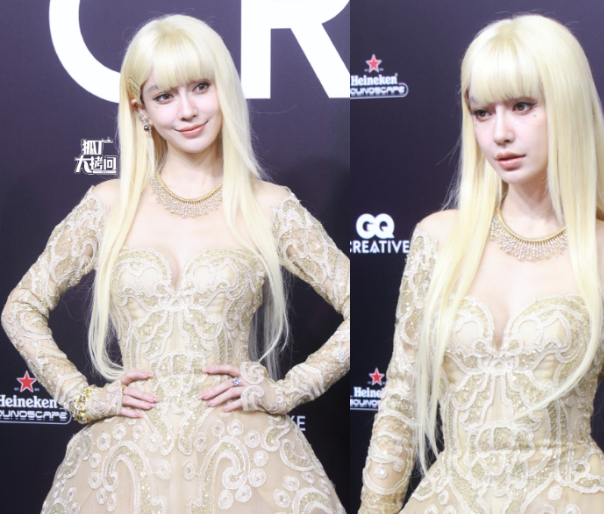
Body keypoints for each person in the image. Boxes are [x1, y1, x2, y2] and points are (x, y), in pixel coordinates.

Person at [2, 14, 348, 514]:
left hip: (245, 465)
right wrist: (82, 397)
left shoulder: (270, 206)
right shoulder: (108, 205)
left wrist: (288, 390)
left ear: (224, 88)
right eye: (164, 96)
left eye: (201, 87)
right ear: (140, 108)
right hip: (124, 466)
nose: (187, 111)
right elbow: (21, 308)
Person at [359, 14, 604, 514]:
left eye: (523, 106)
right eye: (482, 112)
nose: (500, 133)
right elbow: (400, 406)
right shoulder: (438, 241)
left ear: (569, 106)